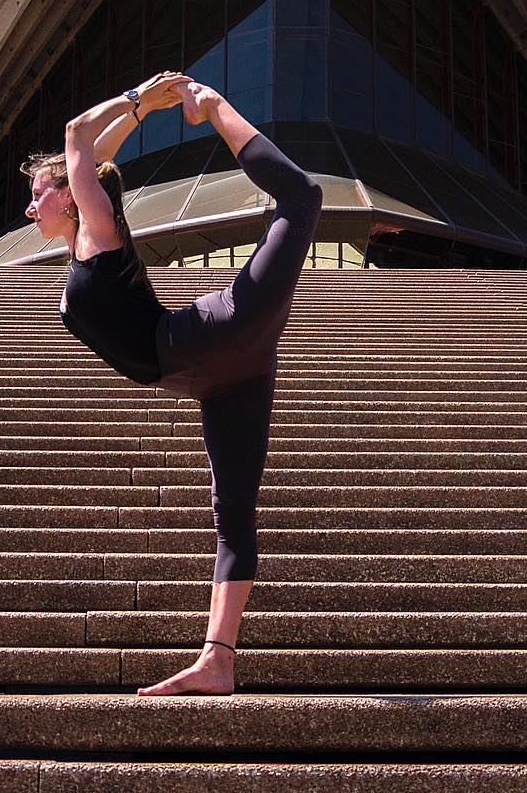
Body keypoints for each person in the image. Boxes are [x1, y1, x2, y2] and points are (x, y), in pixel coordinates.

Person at [23, 71, 322, 696]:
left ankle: (218, 107)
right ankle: (217, 661)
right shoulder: (91, 228)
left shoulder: (98, 229)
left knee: (303, 198)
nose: (30, 207)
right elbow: (90, 156)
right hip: (221, 377)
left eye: (38, 193)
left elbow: (78, 137)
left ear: (69, 195)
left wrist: (140, 101)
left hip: (211, 335)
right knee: (232, 513)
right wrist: (139, 113)